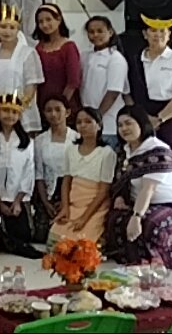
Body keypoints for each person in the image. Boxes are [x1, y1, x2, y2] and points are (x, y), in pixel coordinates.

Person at [105, 108, 172, 269]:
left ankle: (166, 257)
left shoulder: (158, 151)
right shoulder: (125, 151)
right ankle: (136, 258)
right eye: (120, 125)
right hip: (140, 203)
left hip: (171, 206)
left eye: (128, 123)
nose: (124, 128)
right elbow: (121, 179)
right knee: (115, 219)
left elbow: (148, 189)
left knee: (149, 223)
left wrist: (136, 216)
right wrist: (120, 197)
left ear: (142, 124)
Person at [127, 14, 172, 186]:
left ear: (169, 34)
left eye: (162, 31)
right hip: (142, 116)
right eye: (153, 31)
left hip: (169, 116)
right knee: (142, 157)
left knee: (171, 158)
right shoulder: (136, 60)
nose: (158, 35)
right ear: (145, 34)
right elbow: (127, 92)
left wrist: (159, 119)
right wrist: (139, 117)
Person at [0, 92, 43, 258]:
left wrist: (17, 201)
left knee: (23, 234)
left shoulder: (26, 142)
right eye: (5, 111)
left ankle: (15, 244)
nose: (9, 115)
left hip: (17, 198)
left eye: (14, 112)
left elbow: (28, 171)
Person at [49, 106, 115, 247]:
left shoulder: (106, 153)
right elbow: (66, 181)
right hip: (74, 203)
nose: (83, 125)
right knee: (55, 245)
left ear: (99, 125)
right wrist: (65, 207)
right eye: (79, 122)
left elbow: (103, 191)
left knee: (82, 247)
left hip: (94, 207)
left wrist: (84, 218)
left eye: (88, 121)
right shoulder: (71, 150)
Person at [0, 4, 44, 132]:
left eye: (12, 27)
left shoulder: (28, 53)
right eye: (3, 27)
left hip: (22, 112)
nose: (7, 31)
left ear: (18, 30)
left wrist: (16, 110)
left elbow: (31, 87)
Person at [31, 98, 76, 242]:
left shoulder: (77, 138)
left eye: (58, 109)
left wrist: (67, 201)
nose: (53, 114)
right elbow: (39, 174)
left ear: (67, 112)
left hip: (72, 192)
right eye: (49, 110)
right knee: (41, 236)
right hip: (48, 192)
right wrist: (45, 202)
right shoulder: (40, 140)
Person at [81, 16, 130, 148]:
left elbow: (113, 92)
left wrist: (97, 117)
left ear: (110, 32)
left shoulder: (115, 59)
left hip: (108, 126)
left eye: (100, 31)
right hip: (89, 125)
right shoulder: (85, 56)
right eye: (91, 32)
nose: (95, 35)